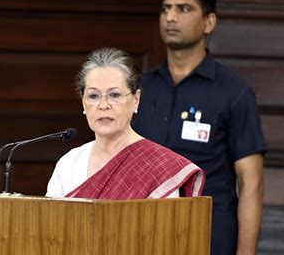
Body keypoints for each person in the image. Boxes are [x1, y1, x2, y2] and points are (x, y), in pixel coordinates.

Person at [132, 0, 267, 255]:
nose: (170, 17)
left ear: (209, 22)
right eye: (165, 9)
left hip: (207, 249)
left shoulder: (234, 93)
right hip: (139, 243)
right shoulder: (139, 89)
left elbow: (251, 183)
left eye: (183, 9)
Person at [46, 47, 205, 200]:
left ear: (136, 99)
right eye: (93, 96)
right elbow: (51, 224)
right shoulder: (69, 164)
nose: (103, 105)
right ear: (83, 102)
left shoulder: (159, 166)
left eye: (114, 95)